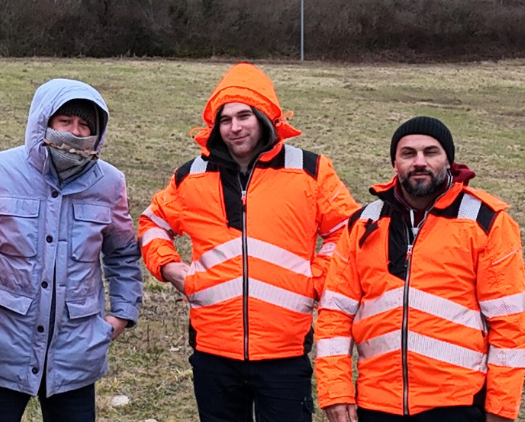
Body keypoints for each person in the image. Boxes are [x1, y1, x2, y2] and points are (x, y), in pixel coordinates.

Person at [137, 62, 359, 422]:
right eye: (225, 120)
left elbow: (348, 233)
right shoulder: (191, 176)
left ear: (265, 118)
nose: (235, 127)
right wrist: (169, 267)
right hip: (213, 350)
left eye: (245, 116)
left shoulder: (310, 171)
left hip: (285, 351)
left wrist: (315, 279)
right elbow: (152, 223)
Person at [315, 116, 525, 422]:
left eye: (431, 152)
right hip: (376, 405)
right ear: (395, 163)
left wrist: (500, 409)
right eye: (408, 154)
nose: (419, 162)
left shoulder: (487, 222)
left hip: (457, 406)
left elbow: (509, 324)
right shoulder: (363, 224)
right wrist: (336, 391)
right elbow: (334, 314)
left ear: (449, 160)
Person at [0, 78, 143, 422]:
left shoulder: (110, 183)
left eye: (85, 125)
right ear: (43, 122)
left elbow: (122, 253)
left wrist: (121, 314)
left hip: (76, 351)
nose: (74, 133)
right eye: (65, 122)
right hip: (3, 344)